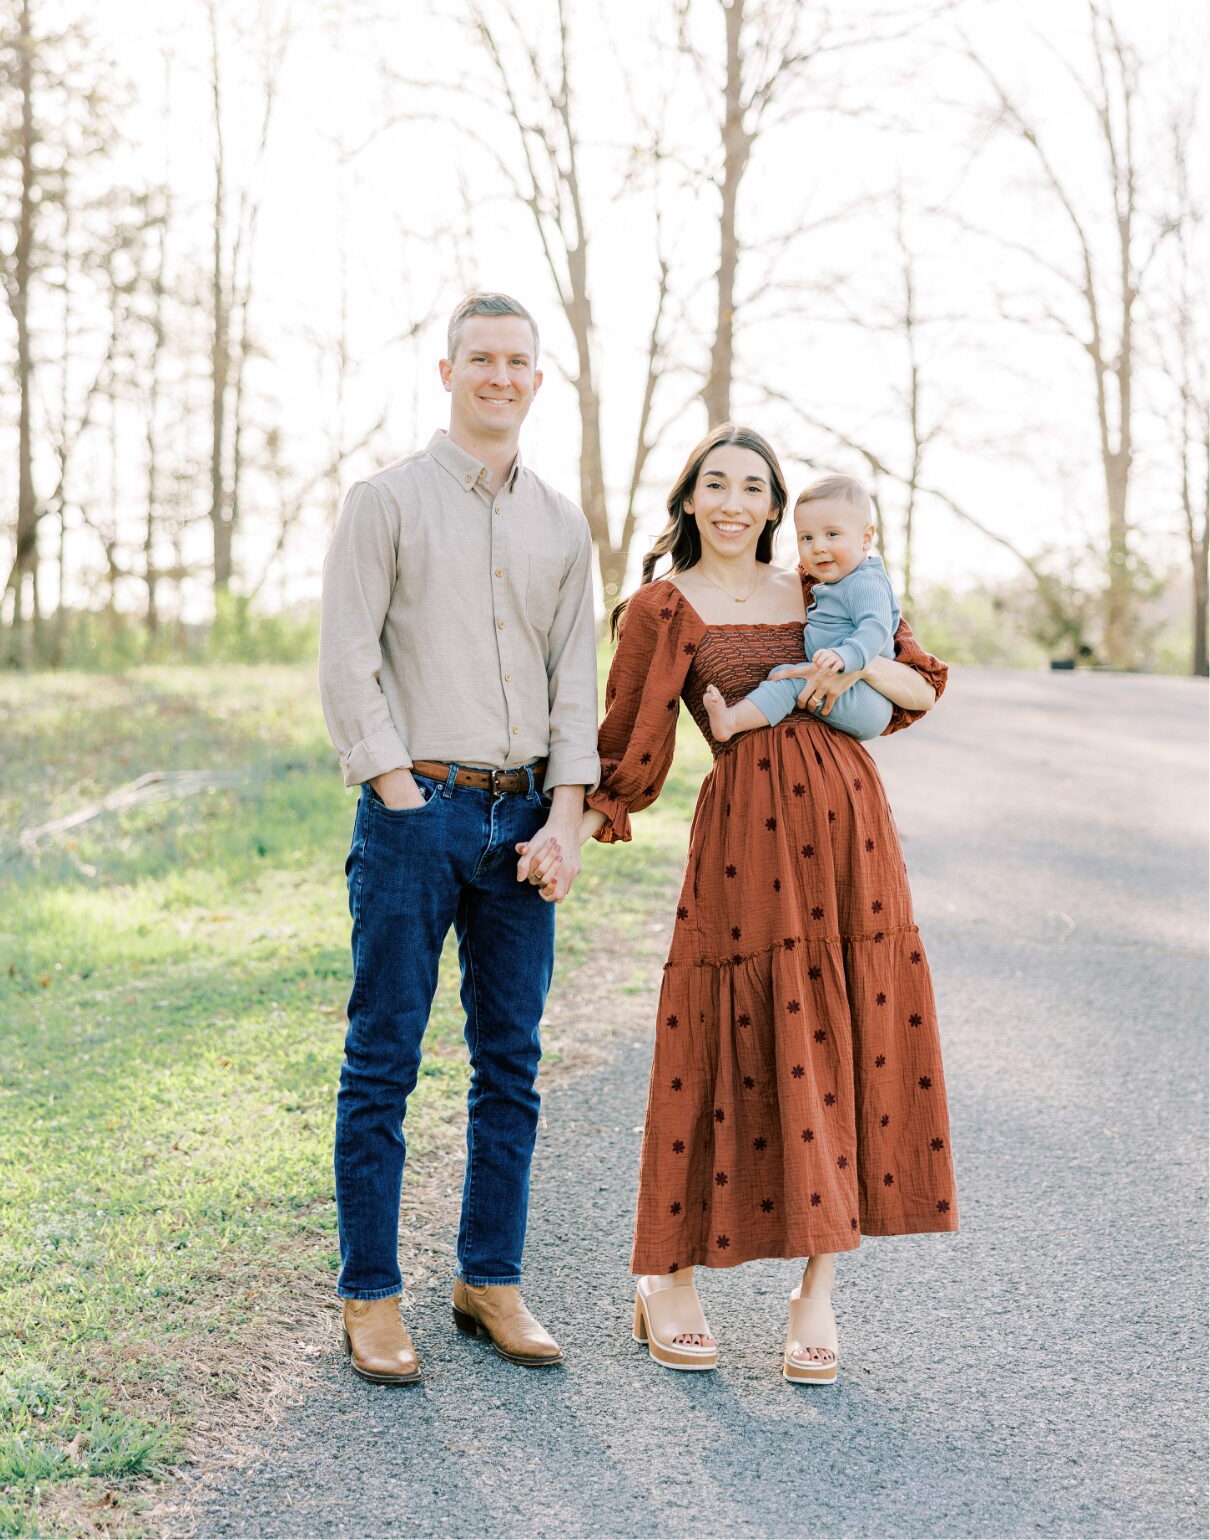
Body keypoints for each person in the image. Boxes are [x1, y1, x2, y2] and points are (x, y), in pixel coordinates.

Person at [577, 424, 957, 1384]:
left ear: (777, 505)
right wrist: (565, 833)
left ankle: (817, 1292)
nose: (736, 501)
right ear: (691, 498)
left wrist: (854, 664)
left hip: (853, 842)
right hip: (746, 846)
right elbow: (626, 742)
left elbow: (922, 685)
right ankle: (666, 1275)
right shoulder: (665, 608)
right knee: (716, 1044)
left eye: (755, 486)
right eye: (718, 483)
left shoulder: (827, 587)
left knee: (851, 1037)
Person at [318, 291, 598, 1384]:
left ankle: (489, 1276)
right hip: (413, 813)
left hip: (525, 819)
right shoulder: (383, 501)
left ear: (537, 377)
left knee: (511, 1063)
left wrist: (566, 815)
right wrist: (397, 793)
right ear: (446, 372)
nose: (499, 374)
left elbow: (574, 679)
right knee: (382, 1059)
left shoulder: (562, 523)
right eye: (479, 357)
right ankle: (371, 1294)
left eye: (517, 360)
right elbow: (348, 657)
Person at [704, 472, 899, 745]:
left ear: (866, 538)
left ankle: (731, 721)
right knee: (788, 675)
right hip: (849, 687)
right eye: (806, 538)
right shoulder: (835, 583)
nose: (818, 547)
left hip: (866, 697)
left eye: (832, 534)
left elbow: (875, 628)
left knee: (790, 680)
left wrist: (846, 656)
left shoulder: (865, 581)